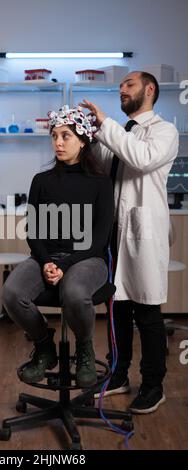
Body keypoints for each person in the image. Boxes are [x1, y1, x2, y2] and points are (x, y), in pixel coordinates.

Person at [80, 71, 179, 414]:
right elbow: (99, 171)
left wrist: (106, 125)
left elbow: (141, 158)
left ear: (149, 90)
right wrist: (86, 136)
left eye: (129, 85)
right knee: (116, 309)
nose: (122, 90)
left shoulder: (163, 132)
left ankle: (154, 385)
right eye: (120, 86)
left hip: (142, 234)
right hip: (113, 234)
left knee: (147, 311)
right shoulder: (118, 135)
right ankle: (119, 375)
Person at [2, 105, 114, 388]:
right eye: (54, 136)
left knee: (75, 292)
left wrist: (63, 266)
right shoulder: (41, 181)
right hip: (45, 257)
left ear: (83, 139)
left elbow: (100, 239)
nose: (58, 143)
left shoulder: (101, 183)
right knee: (12, 293)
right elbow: (34, 231)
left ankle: (85, 349)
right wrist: (45, 262)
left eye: (65, 136)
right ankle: (44, 345)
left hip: (87, 259)